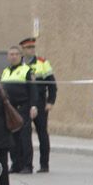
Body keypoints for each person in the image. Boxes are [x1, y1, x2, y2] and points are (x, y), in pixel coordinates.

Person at [0, 45, 38, 174]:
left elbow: (33, 90)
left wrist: (33, 106)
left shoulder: (27, 70)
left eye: (16, 54)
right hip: (10, 109)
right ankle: (16, 164)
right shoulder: (5, 71)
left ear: (21, 56)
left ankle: (27, 165)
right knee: (12, 138)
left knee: (24, 137)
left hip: (23, 107)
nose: (13, 56)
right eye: (11, 54)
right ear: (8, 56)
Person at [21, 37, 56, 173]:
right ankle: (27, 164)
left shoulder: (42, 62)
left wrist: (50, 101)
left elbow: (52, 84)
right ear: (23, 50)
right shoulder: (20, 64)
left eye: (33, 47)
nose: (32, 50)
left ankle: (44, 164)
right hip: (25, 103)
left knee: (42, 133)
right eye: (29, 48)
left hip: (40, 103)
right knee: (24, 134)